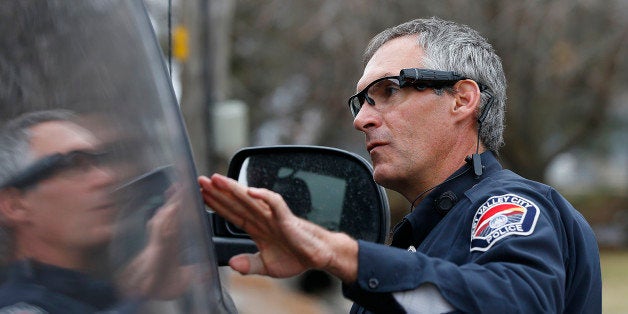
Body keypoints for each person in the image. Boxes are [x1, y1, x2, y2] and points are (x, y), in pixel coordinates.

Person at [199, 17, 602, 313]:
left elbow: (517, 303)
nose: (361, 120)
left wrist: (336, 252)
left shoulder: (507, 204)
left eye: (388, 90)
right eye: (362, 102)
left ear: (462, 99)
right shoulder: (420, 238)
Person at [0, 110, 189, 312]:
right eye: (75, 164)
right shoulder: (17, 308)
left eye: (98, 162)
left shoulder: (97, 295)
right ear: (15, 205)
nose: (106, 177)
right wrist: (145, 291)